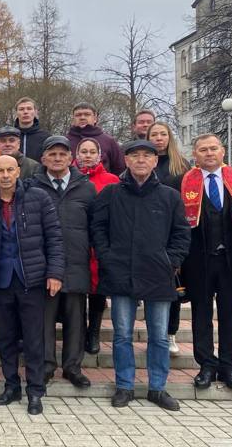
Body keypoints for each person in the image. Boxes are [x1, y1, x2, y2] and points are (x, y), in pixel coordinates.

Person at [91, 140, 191, 411]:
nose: (141, 161)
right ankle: (125, 385)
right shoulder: (111, 194)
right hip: (120, 272)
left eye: (147, 156)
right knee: (122, 334)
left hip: (158, 274)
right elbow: (97, 229)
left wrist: (171, 261)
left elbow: (182, 234)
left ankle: (157, 388)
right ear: (126, 160)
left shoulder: (169, 196)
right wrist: (107, 257)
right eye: (135, 156)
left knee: (158, 336)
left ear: (155, 161)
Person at [168, 134, 232, 393]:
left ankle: (229, 366)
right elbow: (176, 224)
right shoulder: (182, 182)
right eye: (202, 150)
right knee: (201, 314)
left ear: (223, 151)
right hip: (198, 260)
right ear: (194, 155)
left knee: (231, 314)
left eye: (213, 148)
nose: (209, 153)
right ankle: (206, 365)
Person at [0, 155, 64, 415]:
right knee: (6, 338)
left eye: (10, 170)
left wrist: (55, 273)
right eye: (0, 171)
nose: (5, 175)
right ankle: (11, 385)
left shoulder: (38, 199)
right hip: (1, 281)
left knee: (34, 339)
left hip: (32, 280)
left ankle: (35, 390)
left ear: (18, 172)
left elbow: (55, 238)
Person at [33, 136, 96, 389]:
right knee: (44, 317)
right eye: (52, 154)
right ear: (43, 159)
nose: (57, 158)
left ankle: (72, 366)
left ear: (71, 159)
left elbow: (95, 226)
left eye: (62, 154)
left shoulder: (86, 188)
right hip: (44, 263)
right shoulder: (33, 186)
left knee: (75, 318)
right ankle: (47, 364)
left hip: (77, 261)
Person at [147, 121, 191, 354]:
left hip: (171, 231)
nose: (159, 138)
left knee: (172, 287)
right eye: (154, 134)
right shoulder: (143, 162)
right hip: (146, 231)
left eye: (163, 134)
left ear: (169, 137)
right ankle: (153, 333)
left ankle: (170, 333)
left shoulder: (180, 166)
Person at [74, 138, 119, 355]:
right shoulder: (71, 177)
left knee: (98, 291)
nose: (88, 155)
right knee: (77, 291)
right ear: (77, 154)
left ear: (100, 155)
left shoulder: (111, 180)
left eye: (92, 151)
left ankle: (94, 332)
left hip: (101, 243)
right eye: (84, 151)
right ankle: (79, 331)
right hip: (77, 242)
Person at [66, 102, 125, 175]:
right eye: (78, 115)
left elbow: (119, 168)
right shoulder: (65, 141)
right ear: (73, 119)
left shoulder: (108, 141)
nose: (82, 117)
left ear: (95, 118)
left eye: (87, 114)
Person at [14, 97, 51, 161]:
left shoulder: (46, 137)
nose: (25, 112)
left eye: (29, 109)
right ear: (16, 113)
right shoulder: (10, 136)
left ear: (35, 112)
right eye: (21, 109)